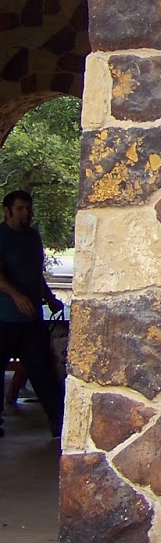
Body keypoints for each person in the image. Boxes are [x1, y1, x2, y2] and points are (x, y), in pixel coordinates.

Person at [0, 189, 65, 442]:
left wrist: (49, 298)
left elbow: (35, 274)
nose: (26, 214)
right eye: (20, 209)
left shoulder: (33, 237)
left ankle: (59, 423)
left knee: (43, 371)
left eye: (28, 209)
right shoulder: (2, 236)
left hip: (31, 319)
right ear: (7, 211)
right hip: (4, 318)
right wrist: (17, 296)